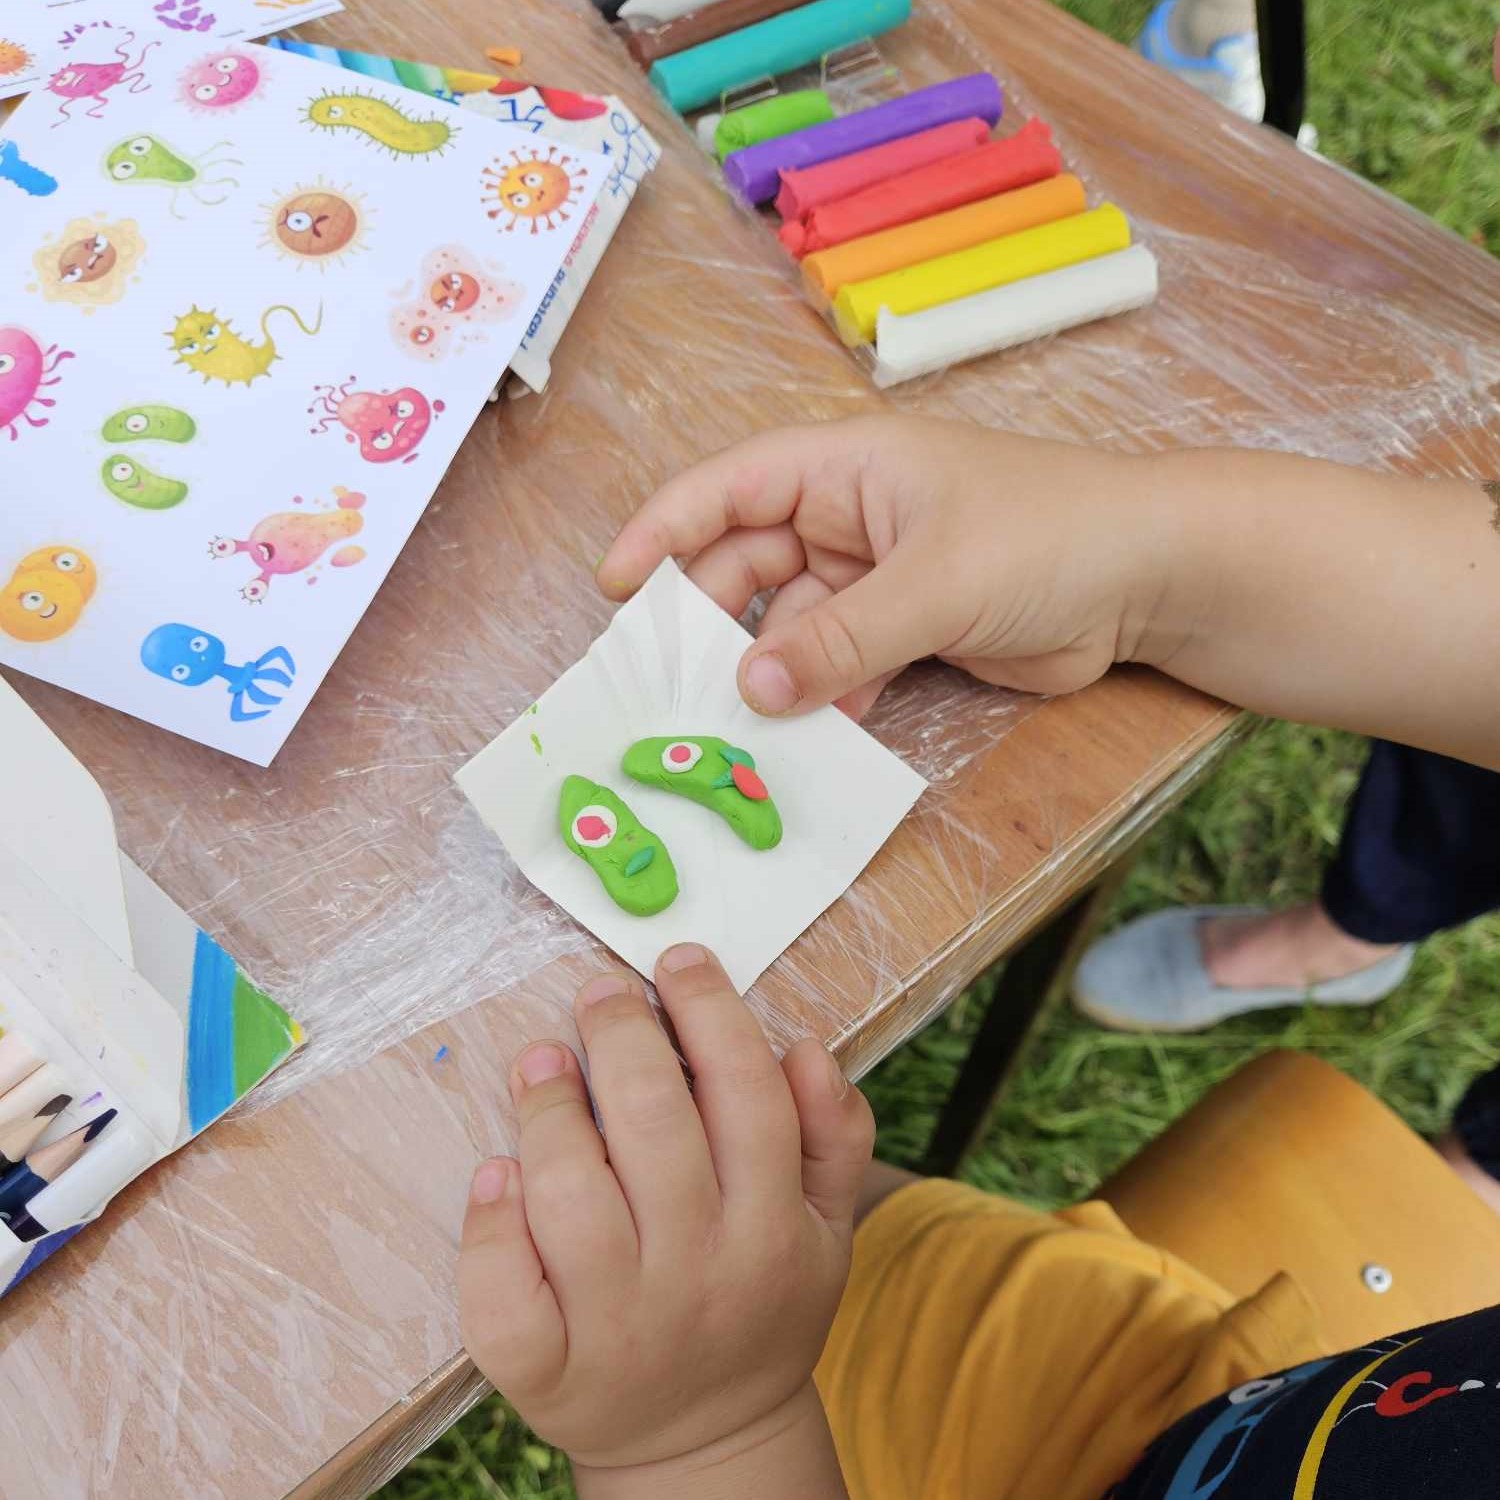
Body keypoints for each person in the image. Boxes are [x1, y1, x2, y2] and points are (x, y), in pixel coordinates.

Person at [457, 418, 1500, 1498]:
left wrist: (700, 1437)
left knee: (724, 1238)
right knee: (789, 1209)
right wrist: (1150, 560)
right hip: (1150, 1392)